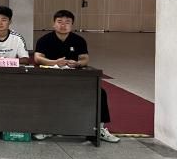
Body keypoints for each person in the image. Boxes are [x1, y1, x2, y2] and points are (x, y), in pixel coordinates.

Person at [34, 9, 119, 143]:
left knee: (100, 92)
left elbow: (85, 59)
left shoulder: (79, 40)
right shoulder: (44, 40)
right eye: (60, 22)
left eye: (67, 22)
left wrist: (77, 63)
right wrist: (55, 62)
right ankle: (46, 127)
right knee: (42, 92)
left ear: (72, 25)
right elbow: (38, 58)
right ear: (53, 24)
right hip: (50, 78)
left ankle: (100, 128)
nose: (63, 25)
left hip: (74, 79)